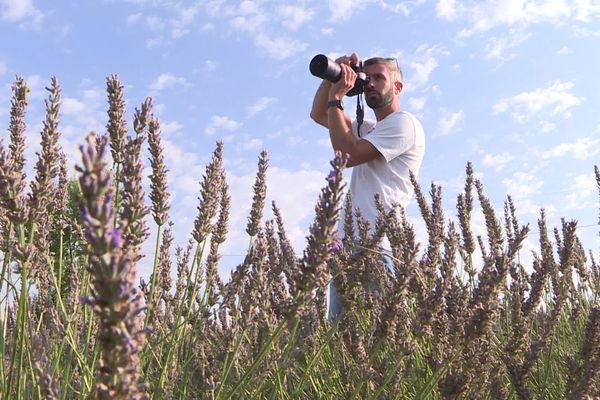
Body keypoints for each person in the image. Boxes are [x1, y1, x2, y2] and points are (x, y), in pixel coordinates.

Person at [310, 53, 426, 321]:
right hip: (349, 247)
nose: (371, 83)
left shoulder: (404, 124)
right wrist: (335, 74)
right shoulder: (372, 129)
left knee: (379, 340)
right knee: (343, 346)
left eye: (379, 78)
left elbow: (346, 154)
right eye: (367, 77)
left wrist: (337, 99)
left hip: (377, 246)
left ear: (398, 87)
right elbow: (318, 114)